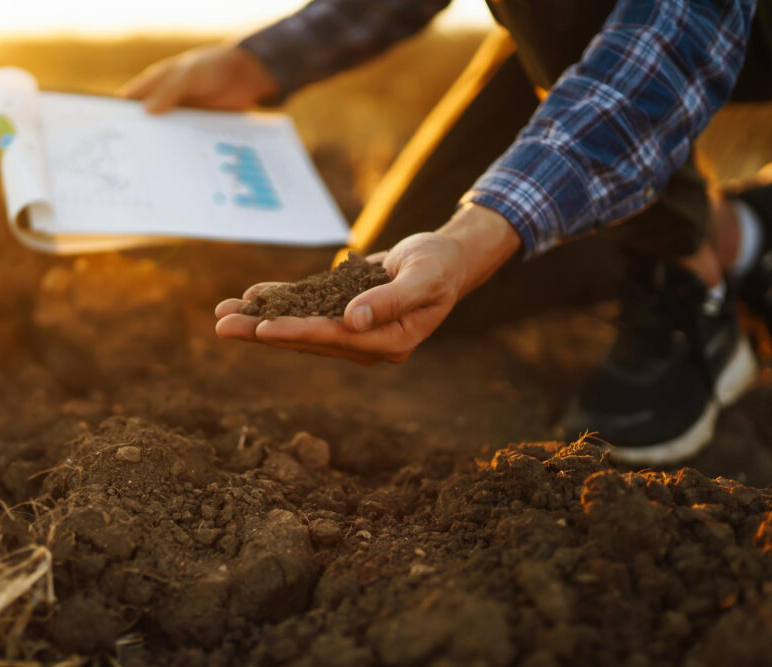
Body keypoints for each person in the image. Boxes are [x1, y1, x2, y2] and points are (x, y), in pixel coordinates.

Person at [120, 0, 772, 466]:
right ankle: (742, 231)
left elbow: (668, 47)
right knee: (409, 275)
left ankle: (689, 279)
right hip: (593, 37)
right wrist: (251, 65)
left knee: (471, 244)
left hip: (692, 26)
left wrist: (472, 238)